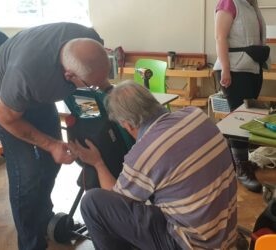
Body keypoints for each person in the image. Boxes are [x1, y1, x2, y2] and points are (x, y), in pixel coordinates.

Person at [0, 22, 111, 250]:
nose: (99, 87)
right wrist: (50, 144)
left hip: (35, 90)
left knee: (51, 163)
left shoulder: (88, 41)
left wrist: (92, 125)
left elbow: (86, 93)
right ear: (68, 74)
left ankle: (43, 217)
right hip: (1, 99)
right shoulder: (28, 75)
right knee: (26, 173)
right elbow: (6, 117)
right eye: (92, 86)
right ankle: (30, 243)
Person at [69, 81, 238, 250]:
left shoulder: (146, 152)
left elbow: (115, 202)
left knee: (91, 203)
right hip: (226, 235)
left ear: (127, 124)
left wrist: (98, 163)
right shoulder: (197, 115)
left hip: (191, 245)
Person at [213, 0, 267, 193]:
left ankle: (233, 163)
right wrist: (226, 69)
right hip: (234, 69)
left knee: (248, 117)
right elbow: (220, 37)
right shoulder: (229, 2)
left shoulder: (251, 5)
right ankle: (241, 169)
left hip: (252, 68)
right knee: (239, 120)